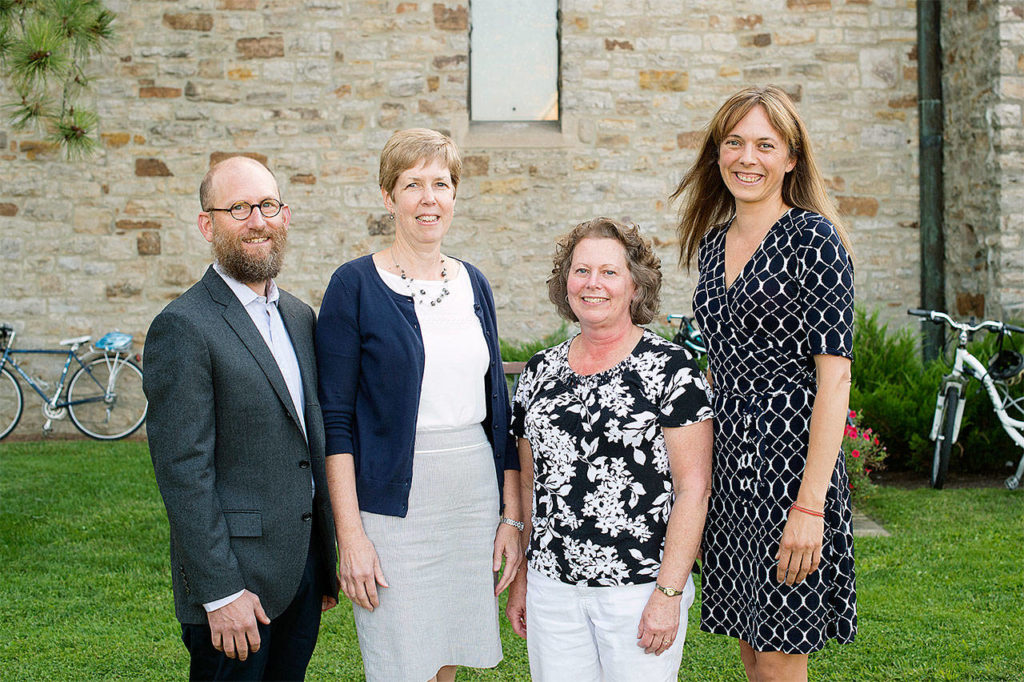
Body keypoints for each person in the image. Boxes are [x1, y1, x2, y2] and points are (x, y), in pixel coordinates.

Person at [315, 128, 522, 682]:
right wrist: (351, 534)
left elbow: (497, 409)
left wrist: (510, 517)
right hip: (391, 505)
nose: (429, 198)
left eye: (441, 184)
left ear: (454, 194)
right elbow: (334, 422)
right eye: (413, 185)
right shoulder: (354, 285)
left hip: (470, 494)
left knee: (445, 660)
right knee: (399, 662)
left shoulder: (473, 283)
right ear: (389, 197)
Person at [672, 85, 857, 681]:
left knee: (780, 651)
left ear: (791, 158)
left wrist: (811, 506)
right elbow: (714, 362)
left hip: (789, 467)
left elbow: (834, 382)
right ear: (717, 153)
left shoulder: (814, 241)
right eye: (734, 142)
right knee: (752, 647)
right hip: (728, 464)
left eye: (764, 145)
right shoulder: (711, 245)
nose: (747, 157)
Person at [144, 156, 339, 681]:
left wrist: (318, 563)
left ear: (285, 215)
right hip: (235, 588)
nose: (258, 220)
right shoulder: (183, 327)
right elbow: (184, 473)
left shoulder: (299, 316)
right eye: (238, 208)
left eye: (268, 205)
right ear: (208, 224)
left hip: (298, 574)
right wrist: (220, 592)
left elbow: (303, 443)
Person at [506, 218, 713, 682]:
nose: (592, 284)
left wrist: (668, 593)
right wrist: (522, 579)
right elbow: (527, 482)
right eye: (581, 271)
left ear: (636, 287)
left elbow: (694, 489)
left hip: (638, 590)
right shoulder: (539, 371)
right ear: (566, 284)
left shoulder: (671, 369)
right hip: (552, 586)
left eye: (609, 272)